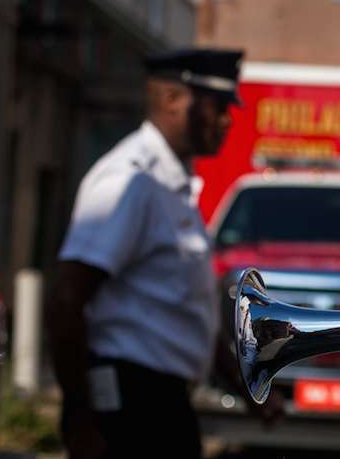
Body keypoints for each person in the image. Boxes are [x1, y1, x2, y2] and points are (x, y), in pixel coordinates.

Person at [47, 48, 274, 459]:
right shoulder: (132, 180)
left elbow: (186, 315)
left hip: (162, 401)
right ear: (171, 100)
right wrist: (79, 416)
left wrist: (244, 388)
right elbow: (67, 297)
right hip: (128, 404)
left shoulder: (173, 183)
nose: (226, 120)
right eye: (216, 106)